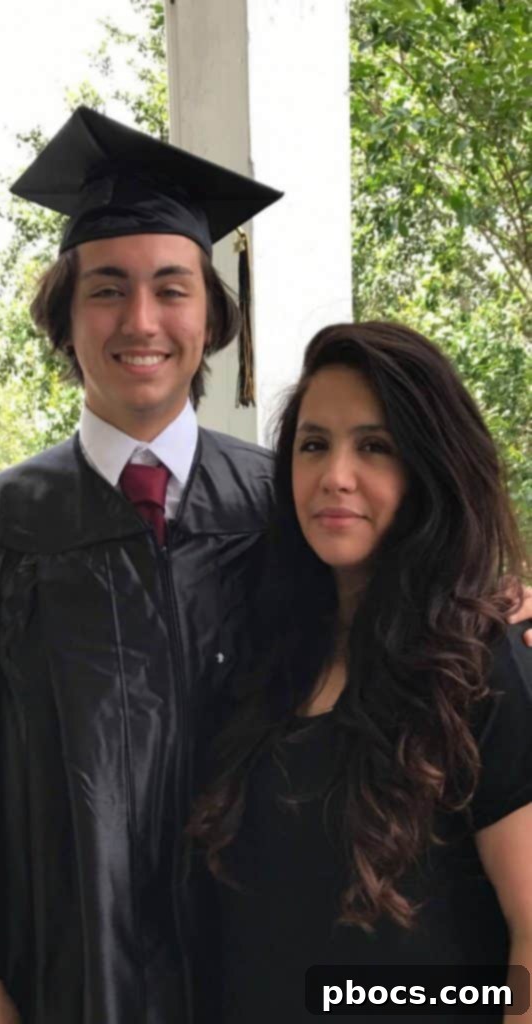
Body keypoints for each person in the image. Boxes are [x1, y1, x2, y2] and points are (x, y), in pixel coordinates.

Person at [0, 107, 284, 1024]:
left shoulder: (286, 511)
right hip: (68, 961)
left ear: (212, 315)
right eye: (107, 289)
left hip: (269, 946)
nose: (142, 320)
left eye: (173, 288)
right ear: (64, 320)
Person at [190, 322, 532, 1023]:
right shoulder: (264, 655)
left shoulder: (483, 668)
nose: (334, 476)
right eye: (314, 444)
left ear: (429, 468)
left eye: (374, 447)